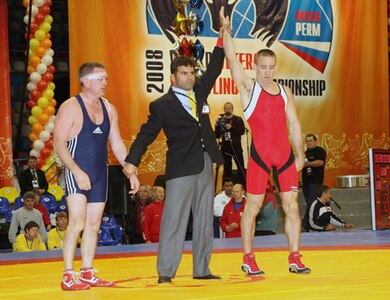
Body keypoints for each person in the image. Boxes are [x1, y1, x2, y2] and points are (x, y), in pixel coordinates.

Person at [123, 9, 226, 284]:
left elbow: (215, 66)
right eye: (184, 73)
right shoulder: (162, 105)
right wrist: (132, 160)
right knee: (174, 221)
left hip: (205, 163)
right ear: (173, 77)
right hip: (180, 168)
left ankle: (202, 269)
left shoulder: (200, 90)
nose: (190, 76)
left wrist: (222, 35)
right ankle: (166, 272)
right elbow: (146, 134)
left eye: (192, 72)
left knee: (204, 220)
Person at [220, 8, 310, 275]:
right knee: (254, 206)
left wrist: (301, 155)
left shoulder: (285, 92)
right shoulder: (248, 88)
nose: (268, 72)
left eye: (271, 67)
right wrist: (226, 30)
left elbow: (294, 124)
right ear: (256, 67)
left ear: (275, 68)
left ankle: (294, 256)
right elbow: (231, 58)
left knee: (292, 206)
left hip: (284, 156)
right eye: (263, 67)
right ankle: (248, 257)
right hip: (260, 156)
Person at [54, 62, 138, 290]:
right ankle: (68, 274)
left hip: (100, 174)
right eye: (101, 79)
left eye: (106, 79)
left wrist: (130, 169)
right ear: (86, 81)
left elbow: (118, 144)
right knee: (77, 222)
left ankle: (88, 272)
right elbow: (59, 144)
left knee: (94, 224)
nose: (105, 83)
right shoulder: (70, 107)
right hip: (76, 172)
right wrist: (77, 171)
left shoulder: (109, 109)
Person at [215, 102, 246, 186]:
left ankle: (243, 186)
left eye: (229, 108)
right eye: (226, 108)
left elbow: (242, 131)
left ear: (232, 109)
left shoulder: (238, 119)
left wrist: (231, 127)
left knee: (240, 167)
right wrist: (217, 126)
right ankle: (227, 188)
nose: (227, 110)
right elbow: (217, 135)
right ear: (224, 109)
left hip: (236, 145)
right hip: (225, 146)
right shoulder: (221, 120)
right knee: (227, 168)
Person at [301, 134, 327, 231]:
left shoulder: (320, 151)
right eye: (307, 141)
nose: (308, 143)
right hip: (306, 183)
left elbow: (320, 162)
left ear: (316, 141)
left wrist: (307, 164)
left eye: (311, 141)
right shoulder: (304, 153)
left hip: (315, 182)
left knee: (312, 203)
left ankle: (306, 224)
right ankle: (310, 224)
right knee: (309, 204)